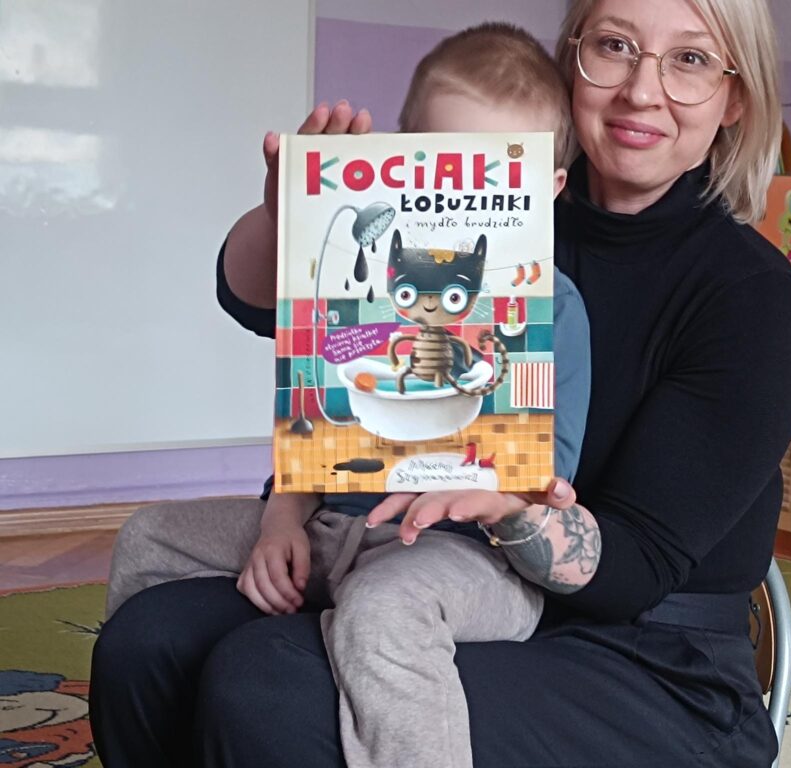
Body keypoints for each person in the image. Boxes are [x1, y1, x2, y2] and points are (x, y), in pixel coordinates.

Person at [90, 1, 791, 766]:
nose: (641, 89)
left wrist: (513, 506)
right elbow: (252, 304)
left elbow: (636, 567)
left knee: (267, 681)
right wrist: (295, 216)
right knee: (152, 641)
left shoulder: (752, 298)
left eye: (690, 60)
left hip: (648, 657)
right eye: (615, 46)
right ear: (574, 60)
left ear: (735, 99)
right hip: (398, 544)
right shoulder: (465, 205)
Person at [94, 23, 590, 768]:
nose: (458, 198)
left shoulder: (551, 305)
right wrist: (279, 522)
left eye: (493, 179)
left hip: (463, 557)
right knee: (147, 537)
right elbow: (316, 427)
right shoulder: (361, 282)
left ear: (547, 189)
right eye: (438, 166)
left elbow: (544, 483)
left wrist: (490, 472)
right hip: (336, 529)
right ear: (398, 160)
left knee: (384, 610)